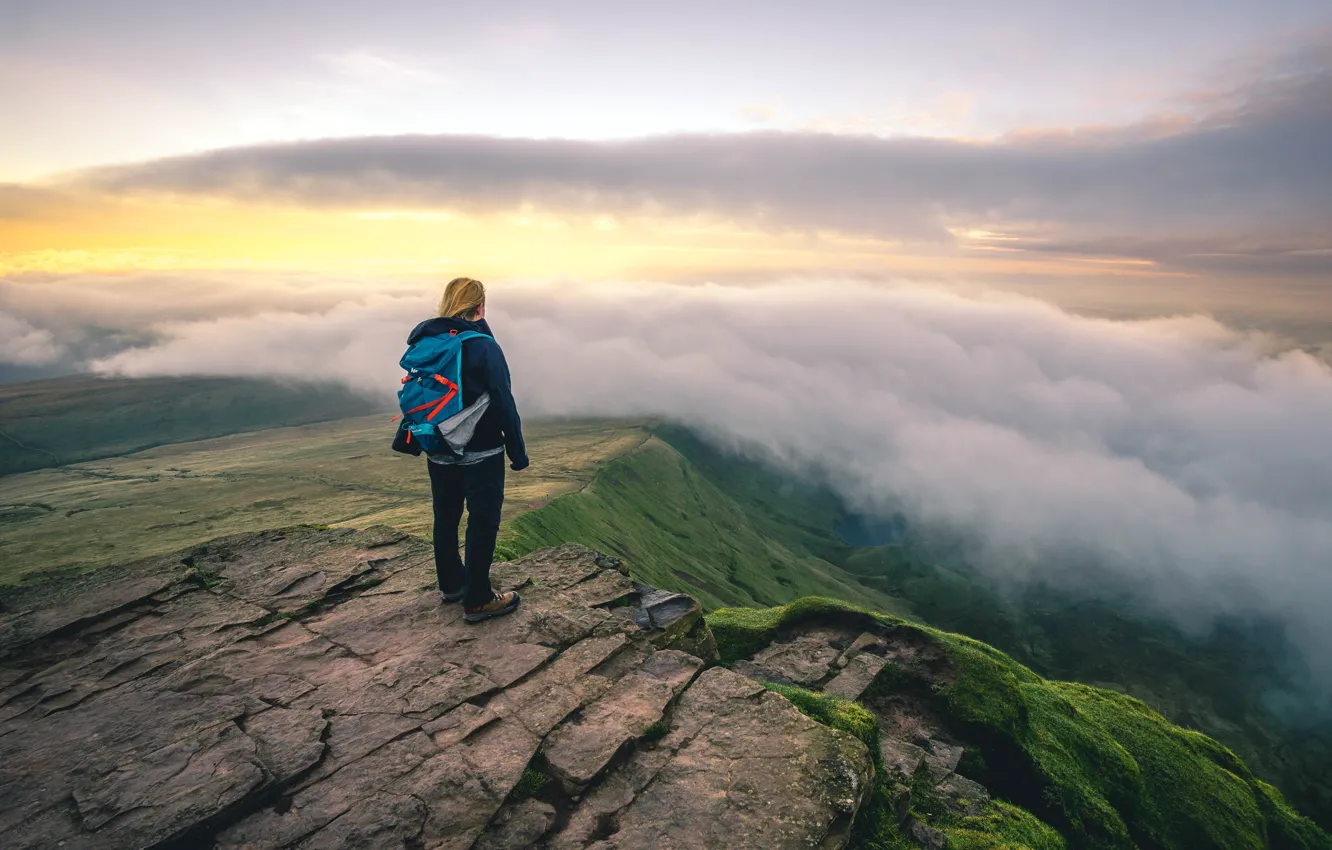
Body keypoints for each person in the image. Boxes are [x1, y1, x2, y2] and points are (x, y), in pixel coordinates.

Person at [394, 277, 529, 623]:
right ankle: (479, 599)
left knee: (446, 515)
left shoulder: (427, 340)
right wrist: (517, 450)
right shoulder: (483, 346)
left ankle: (452, 585)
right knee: (482, 521)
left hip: (437, 444)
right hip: (481, 448)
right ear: (480, 307)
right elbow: (502, 399)